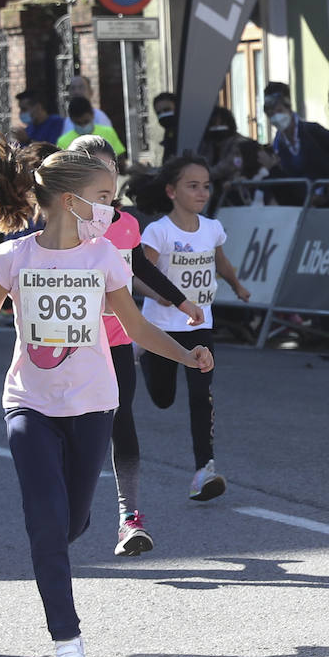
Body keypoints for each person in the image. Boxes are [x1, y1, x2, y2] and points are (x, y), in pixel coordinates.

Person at [0, 140, 213, 657]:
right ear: (69, 201)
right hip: (29, 404)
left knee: (73, 520)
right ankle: (67, 640)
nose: (112, 209)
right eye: (104, 197)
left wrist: (186, 353)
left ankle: (58, 544)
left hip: (92, 405)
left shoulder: (104, 257)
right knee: (46, 522)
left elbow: (134, 328)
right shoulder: (12, 258)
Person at [65, 135, 205, 555]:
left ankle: (129, 518)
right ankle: (76, 505)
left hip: (118, 339)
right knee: (76, 425)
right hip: (70, 344)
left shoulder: (125, 225)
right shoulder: (63, 223)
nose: (106, 181)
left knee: (119, 419)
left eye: (111, 172)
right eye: (95, 172)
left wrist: (180, 299)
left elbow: (140, 265)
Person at [139, 156, 250, 502]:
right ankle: (144, 358)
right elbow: (138, 275)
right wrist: (162, 295)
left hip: (200, 325)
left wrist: (236, 284)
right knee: (162, 398)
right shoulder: (159, 232)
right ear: (171, 191)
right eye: (193, 185)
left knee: (201, 395)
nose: (202, 192)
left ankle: (205, 470)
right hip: (160, 328)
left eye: (206, 186)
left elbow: (220, 261)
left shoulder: (212, 228)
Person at [265, 91, 329, 203]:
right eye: (271, 114)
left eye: (279, 111)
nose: (276, 117)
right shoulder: (278, 144)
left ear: (289, 110)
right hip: (302, 200)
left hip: (328, 195)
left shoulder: (312, 130)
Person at [57, 97, 125, 155]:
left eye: (86, 121)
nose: (83, 126)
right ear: (71, 119)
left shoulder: (108, 132)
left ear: (92, 114)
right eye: (78, 123)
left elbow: (120, 158)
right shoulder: (63, 142)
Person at [153, 92, 180, 159]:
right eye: (158, 113)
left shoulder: (186, 132)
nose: (162, 115)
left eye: (167, 110)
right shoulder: (168, 134)